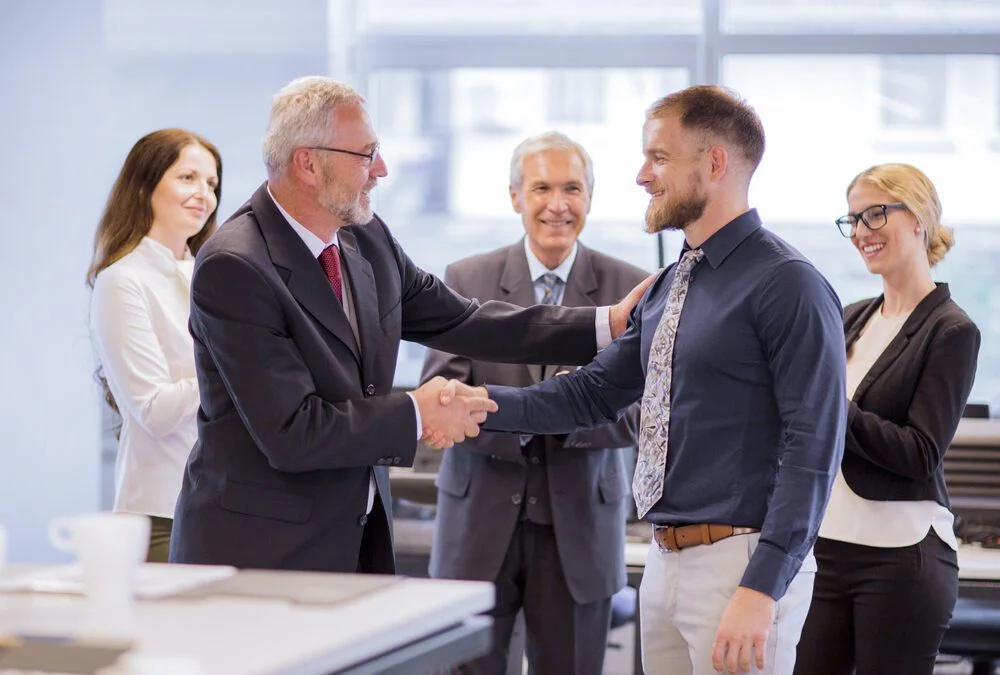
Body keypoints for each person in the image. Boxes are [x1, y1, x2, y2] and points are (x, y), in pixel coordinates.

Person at [433, 85, 847, 675]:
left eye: (658, 157)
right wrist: (478, 403)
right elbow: (593, 392)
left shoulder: (789, 284)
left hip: (741, 567)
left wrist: (763, 586)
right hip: (665, 560)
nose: (641, 175)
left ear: (714, 162)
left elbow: (814, 448)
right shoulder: (674, 281)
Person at [168, 76, 649, 575]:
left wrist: (604, 323)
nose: (381, 169)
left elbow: (464, 318)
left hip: (351, 541)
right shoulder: (236, 265)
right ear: (308, 163)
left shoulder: (365, 237)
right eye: (366, 154)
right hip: (255, 556)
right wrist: (418, 413)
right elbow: (294, 431)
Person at [421, 131, 648, 675]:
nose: (557, 204)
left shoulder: (631, 289)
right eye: (542, 187)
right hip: (477, 523)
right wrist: (554, 403)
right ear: (515, 197)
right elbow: (442, 400)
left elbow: (643, 413)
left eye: (572, 188)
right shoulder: (465, 280)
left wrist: (556, 413)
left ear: (589, 198)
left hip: (580, 531)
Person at [794, 164, 981, 675]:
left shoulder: (951, 330)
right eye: (852, 219)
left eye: (875, 213)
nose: (860, 231)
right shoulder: (849, 316)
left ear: (919, 216)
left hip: (900, 559)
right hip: (825, 549)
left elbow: (920, 453)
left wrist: (831, 405)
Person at [88, 128, 222, 562]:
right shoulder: (122, 280)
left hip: (229, 506)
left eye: (212, 183)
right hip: (163, 512)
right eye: (188, 178)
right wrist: (237, 366)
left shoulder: (214, 275)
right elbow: (153, 410)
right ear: (145, 184)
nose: (203, 193)